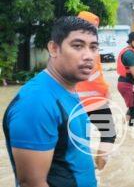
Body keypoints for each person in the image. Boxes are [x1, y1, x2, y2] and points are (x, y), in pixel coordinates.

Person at [3, 16, 98, 186]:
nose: (89, 56)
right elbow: (32, 183)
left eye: (93, 47)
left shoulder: (68, 89)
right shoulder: (36, 103)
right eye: (78, 46)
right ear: (54, 48)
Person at [75, 11, 116, 170]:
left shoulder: (70, 46)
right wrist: (106, 92)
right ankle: (99, 172)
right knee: (109, 134)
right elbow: (95, 76)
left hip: (75, 101)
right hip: (94, 100)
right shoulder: (90, 49)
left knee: (79, 138)